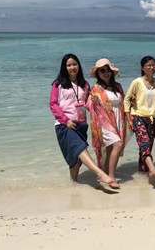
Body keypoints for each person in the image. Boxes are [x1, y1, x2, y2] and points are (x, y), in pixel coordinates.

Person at [49, 54, 119, 189]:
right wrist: (65, 121)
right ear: (64, 67)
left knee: (75, 160)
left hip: (81, 124)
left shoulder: (85, 84)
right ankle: (101, 174)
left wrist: (93, 102)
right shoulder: (58, 84)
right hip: (65, 125)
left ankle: (73, 184)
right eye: (69, 65)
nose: (72, 67)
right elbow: (53, 104)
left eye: (74, 64)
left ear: (79, 66)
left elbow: (87, 104)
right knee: (81, 148)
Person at [124, 56, 155, 178]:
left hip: (151, 120)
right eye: (149, 65)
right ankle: (152, 169)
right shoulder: (137, 82)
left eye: (153, 65)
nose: (152, 68)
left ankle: (143, 175)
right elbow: (127, 100)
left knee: (146, 148)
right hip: (138, 117)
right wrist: (129, 119)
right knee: (144, 144)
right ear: (143, 68)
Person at [87, 58, 127, 185]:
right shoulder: (96, 89)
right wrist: (93, 103)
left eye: (108, 70)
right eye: (102, 71)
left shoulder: (118, 87)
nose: (106, 73)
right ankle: (112, 177)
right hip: (104, 122)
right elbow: (88, 105)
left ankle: (104, 173)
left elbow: (124, 102)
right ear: (98, 73)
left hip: (118, 120)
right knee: (118, 144)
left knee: (111, 148)